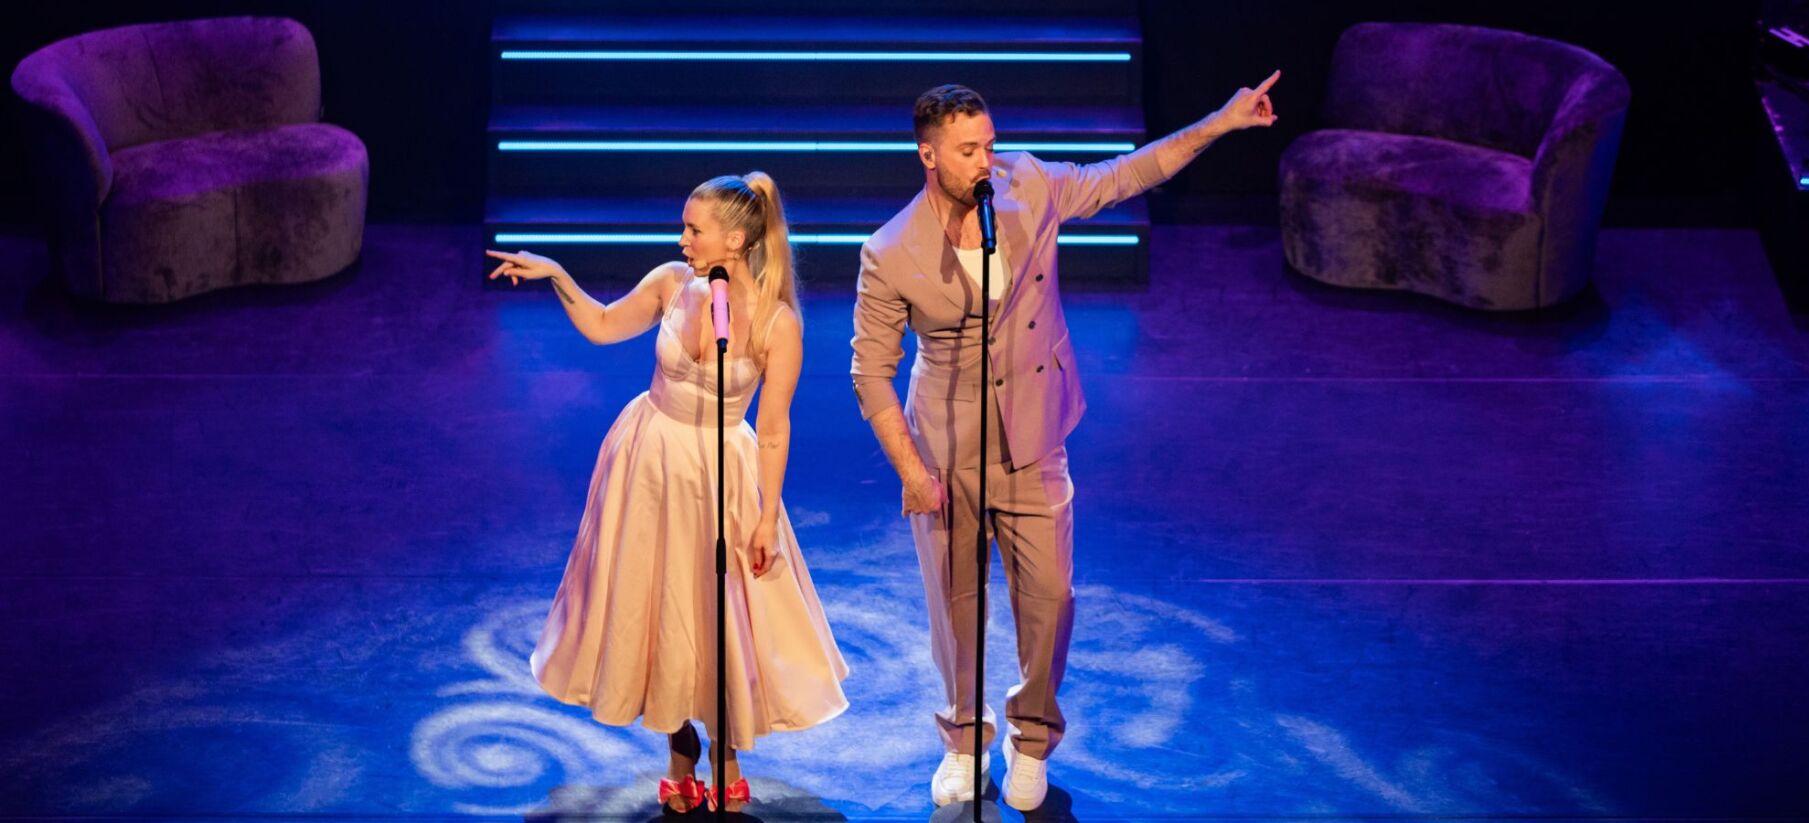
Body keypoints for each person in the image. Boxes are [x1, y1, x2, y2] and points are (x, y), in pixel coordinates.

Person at [849, 75, 1280, 810]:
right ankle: (962, 736)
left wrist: (1220, 120)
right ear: (928, 155)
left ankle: (1031, 733)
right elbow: (870, 373)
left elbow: (1126, 174)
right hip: (946, 448)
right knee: (954, 609)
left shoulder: (1033, 182)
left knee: (1049, 598)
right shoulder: (890, 250)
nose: (985, 160)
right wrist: (912, 469)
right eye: (966, 151)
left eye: (988, 143)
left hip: (1035, 435)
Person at [488, 172, 847, 814]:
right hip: (649, 459)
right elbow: (600, 326)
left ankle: (726, 749)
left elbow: (773, 427)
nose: (681, 239)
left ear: (734, 240)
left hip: (719, 474)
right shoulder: (669, 284)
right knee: (656, 602)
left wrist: (767, 517)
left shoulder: (776, 320)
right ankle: (678, 743)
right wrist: (558, 276)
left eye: (694, 229)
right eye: (683, 226)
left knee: (718, 607)